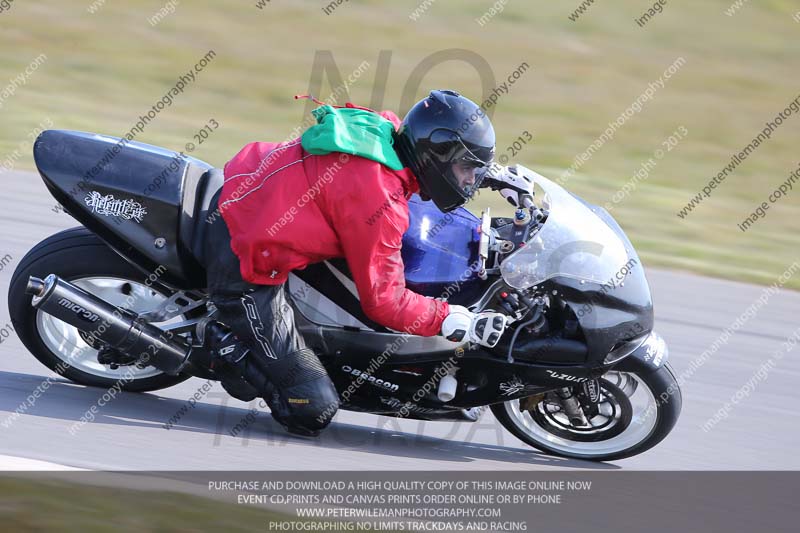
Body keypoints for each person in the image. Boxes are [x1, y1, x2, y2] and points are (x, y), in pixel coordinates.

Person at [203, 89, 532, 437]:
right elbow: (385, 303)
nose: (469, 178)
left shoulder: (387, 135)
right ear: (435, 155)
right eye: (466, 168)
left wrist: (490, 174)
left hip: (248, 182)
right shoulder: (379, 202)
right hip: (244, 256)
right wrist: (451, 317)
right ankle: (223, 345)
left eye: (473, 169)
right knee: (312, 408)